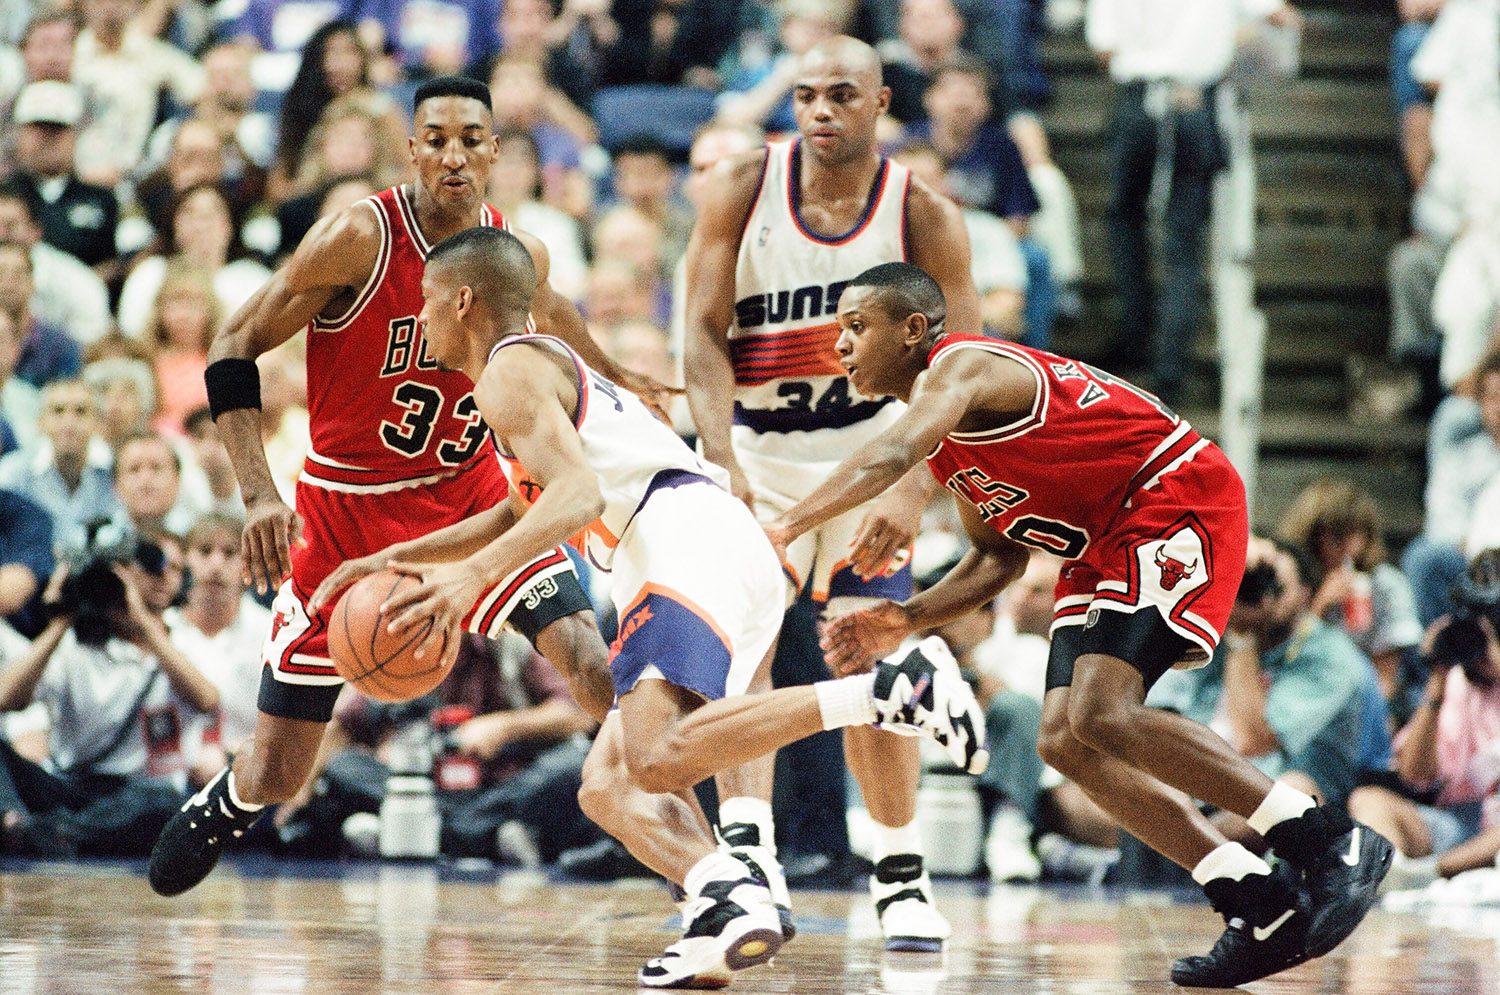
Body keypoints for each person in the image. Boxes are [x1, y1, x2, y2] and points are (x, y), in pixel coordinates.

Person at [308, 225, 986, 988]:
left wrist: (469, 584)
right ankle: (728, 900)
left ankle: (890, 691)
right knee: (607, 787)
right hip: (707, 539)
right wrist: (395, 558)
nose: (420, 319)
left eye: (426, 303)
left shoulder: (509, 373)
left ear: (462, 301)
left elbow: (577, 496)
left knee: (658, 756)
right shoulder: (529, 375)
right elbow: (517, 508)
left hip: (678, 539)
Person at [762, 260, 1394, 987]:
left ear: (911, 330)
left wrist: (787, 523)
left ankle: (1326, 837)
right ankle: (1255, 896)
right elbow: (997, 556)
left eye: (855, 326)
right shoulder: (951, 440)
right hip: (1104, 537)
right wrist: (906, 617)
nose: (839, 346)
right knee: (1065, 738)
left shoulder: (963, 366)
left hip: (1170, 492)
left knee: (1104, 710)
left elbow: (894, 450)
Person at [146, 76, 652, 898]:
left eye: (471, 139)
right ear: (412, 148)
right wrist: (258, 494)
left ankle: (673, 828)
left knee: (594, 664)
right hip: (344, 511)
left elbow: (554, 314)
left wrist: (623, 374)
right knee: (280, 770)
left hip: (470, 499)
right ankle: (233, 796)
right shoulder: (359, 237)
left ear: (496, 150)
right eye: (437, 139)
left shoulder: (509, 250)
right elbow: (234, 342)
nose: (454, 155)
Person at [683, 35, 983, 951]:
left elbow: (968, 370)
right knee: (746, 652)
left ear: (881, 103)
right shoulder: (741, 186)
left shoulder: (921, 213)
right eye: (806, 94)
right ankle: (749, 855)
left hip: (872, 463)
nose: (820, 110)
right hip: (763, 454)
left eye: (841, 95)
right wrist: (717, 449)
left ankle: (899, 872)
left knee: (870, 656)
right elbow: (699, 331)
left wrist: (921, 482)